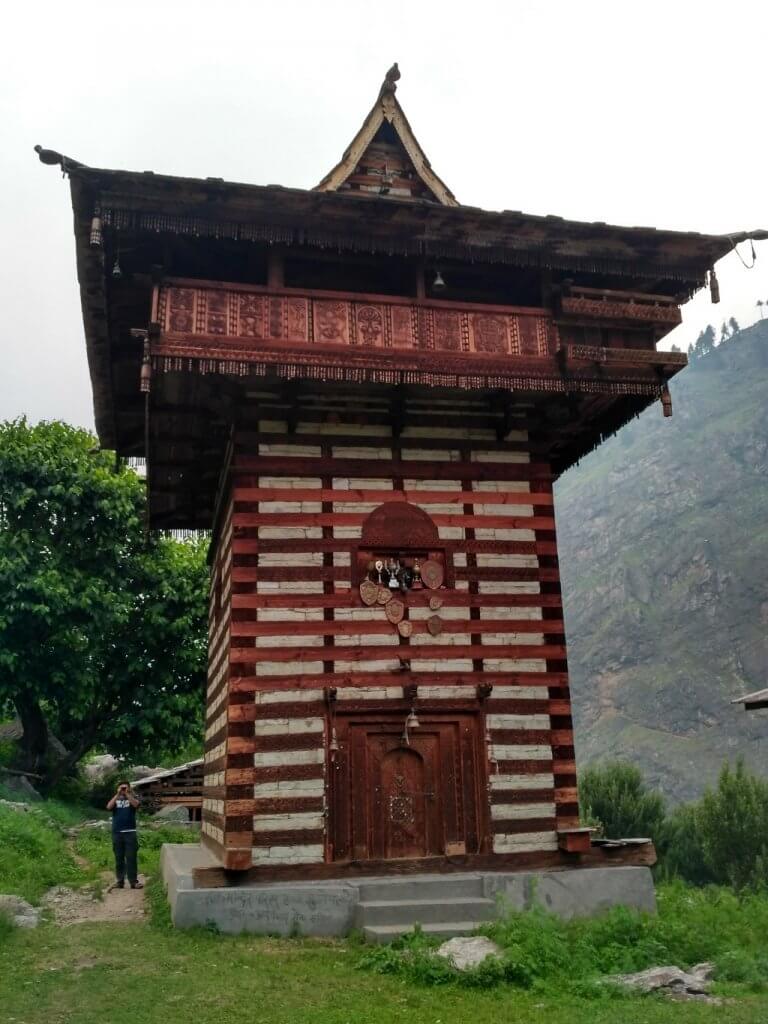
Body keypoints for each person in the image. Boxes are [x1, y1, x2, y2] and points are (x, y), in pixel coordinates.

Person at [106, 781, 142, 889]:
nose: (123, 789)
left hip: (130, 832)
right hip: (117, 832)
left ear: (129, 788)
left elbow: (136, 804)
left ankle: (133, 882)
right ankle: (120, 881)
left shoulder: (132, 798)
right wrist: (118, 794)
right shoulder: (115, 798)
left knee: (131, 857)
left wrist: (127, 794)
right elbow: (108, 807)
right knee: (119, 857)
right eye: (121, 788)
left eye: (125, 788)